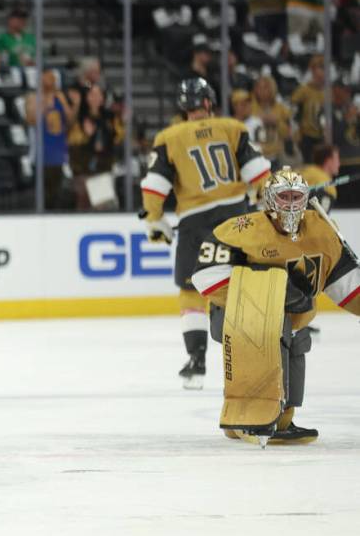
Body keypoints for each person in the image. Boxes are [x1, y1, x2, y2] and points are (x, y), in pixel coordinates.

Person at [191, 168, 360, 444]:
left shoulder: (322, 230)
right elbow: (204, 275)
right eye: (284, 196)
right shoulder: (242, 229)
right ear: (269, 199)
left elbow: (344, 281)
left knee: (297, 343)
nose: (292, 204)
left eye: (297, 197)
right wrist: (268, 293)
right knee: (268, 335)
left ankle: (282, 419)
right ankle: (247, 416)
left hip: (295, 319)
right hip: (238, 317)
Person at [140, 78, 271, 390]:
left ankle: (197, 361)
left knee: (191, 290)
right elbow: (259, 173)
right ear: (209, 102)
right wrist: (265, 197)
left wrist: (154, 220)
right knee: (243, 286)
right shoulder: (232, 127)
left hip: (195, 223)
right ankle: (254, 358)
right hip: (237, 216)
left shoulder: (169, 137)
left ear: (184, 107)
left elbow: (155, 185)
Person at [24, 69, 75, 209]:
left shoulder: (60, 97)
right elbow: (30, 119)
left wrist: (65, 102)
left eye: (52, 79)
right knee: (41, 197)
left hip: (58, 155)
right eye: (47, 78)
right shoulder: (33, 97)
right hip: (40, 156)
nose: (50, 82)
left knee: (57, 196)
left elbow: (70, 121)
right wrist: (45, 106)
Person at [290, 54, 327, 161]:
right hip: (307, 136)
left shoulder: (330, 91)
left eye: (323, 68)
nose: (320, 72)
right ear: (312, 71)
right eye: (317, 68)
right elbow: (293, 111)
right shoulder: (304, 90)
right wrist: (296, 132)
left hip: (325, 135)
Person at [297, 144, 340, 212]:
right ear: (328, 161)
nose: (339, 164)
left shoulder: (303, 171)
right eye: (337, 159)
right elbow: (319, 218)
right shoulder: (327, 184)